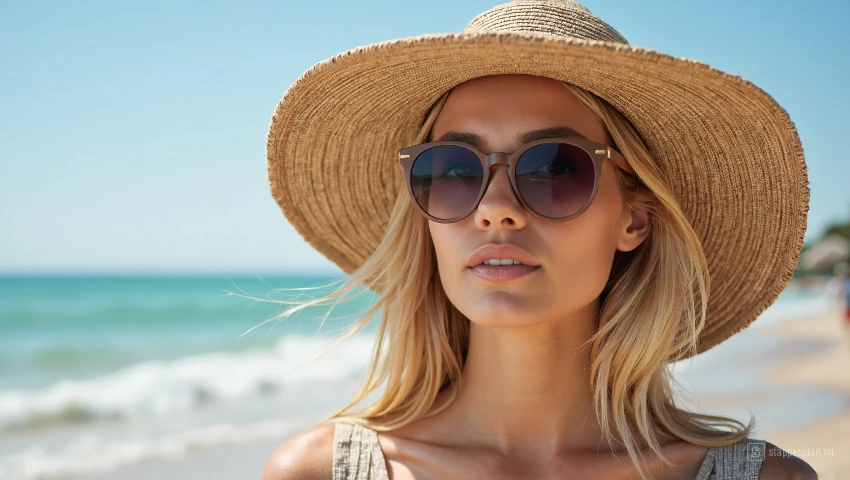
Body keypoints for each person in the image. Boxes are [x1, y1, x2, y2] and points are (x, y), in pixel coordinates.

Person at [260, 1, 817, 478]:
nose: (495, 210)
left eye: (553, 170)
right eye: (454, 171)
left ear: (634, 220)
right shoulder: (320, 472)